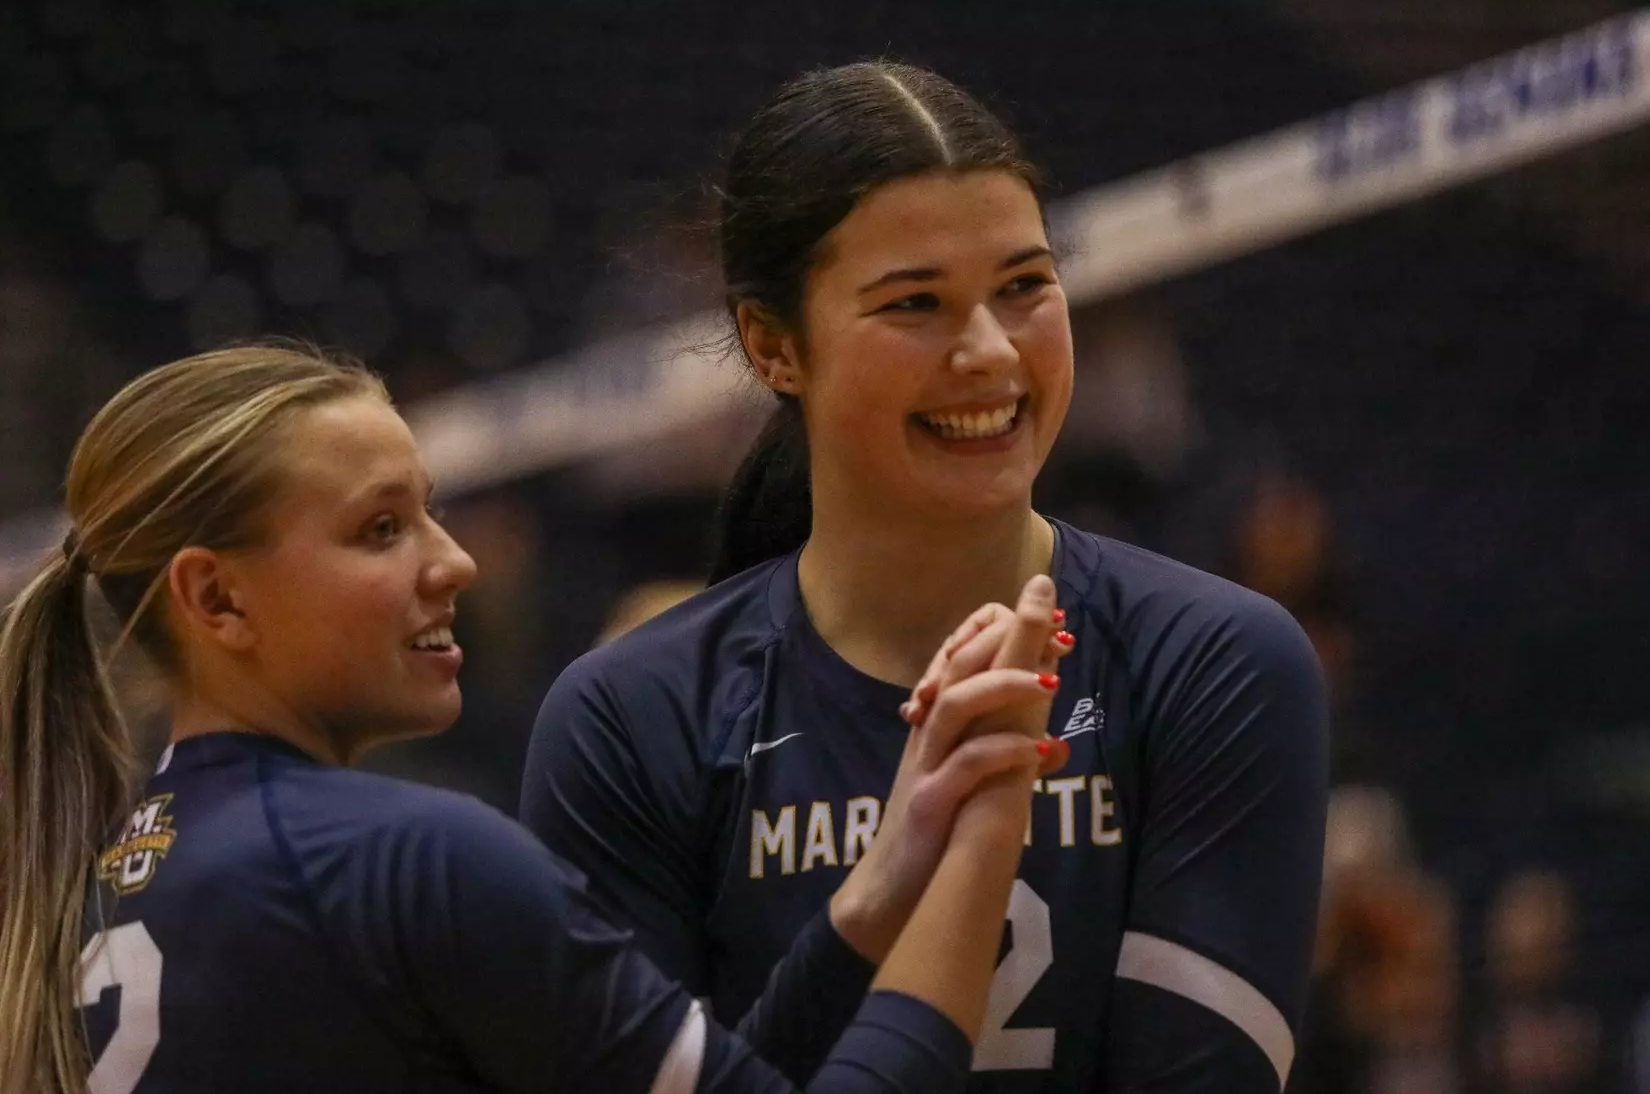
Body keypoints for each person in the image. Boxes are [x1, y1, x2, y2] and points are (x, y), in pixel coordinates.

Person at [521, 61, 1331, 1093]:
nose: (990, 350)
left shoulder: (1213, 661)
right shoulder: (631, 717)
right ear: (773, 344)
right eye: (917, 303)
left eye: (1026, 285)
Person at [0, 343, 1076, 1094]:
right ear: (217, 598)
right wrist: (988, 823)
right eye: (380, 528)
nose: (454, 559)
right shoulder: (404, 859)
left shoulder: (110, 872)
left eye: (430, 507)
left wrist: (875, 897)